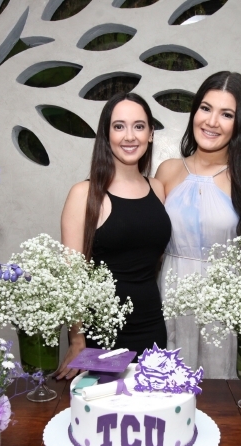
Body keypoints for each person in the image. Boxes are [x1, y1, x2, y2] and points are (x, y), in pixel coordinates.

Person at [155, 71, 241, 379]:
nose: (211, 121)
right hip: (168, 296)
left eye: (227, 114)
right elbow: (151, 248)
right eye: (205, 108)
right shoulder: (166, 171)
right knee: (165, 391)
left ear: (240, 123)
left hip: (222, 308)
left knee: (218, 399)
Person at [54, 92, 171, 379]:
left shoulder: (157, 188)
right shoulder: (84, 194)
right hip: (103, 333)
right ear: (106, 135)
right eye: (119, 126)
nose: (129, 136)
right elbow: (72, 278)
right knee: (102, 417)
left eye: (139, 126)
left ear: (151, 134)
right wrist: (77, 341)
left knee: (150, 416)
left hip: (152, 326)